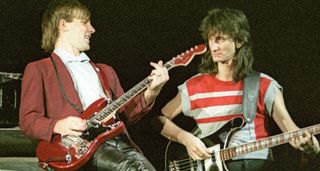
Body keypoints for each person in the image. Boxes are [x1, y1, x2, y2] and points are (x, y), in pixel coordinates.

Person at [156, 8, 320, 171]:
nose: (213, 47)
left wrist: (312, 146)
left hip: (255, 164)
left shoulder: (264, 84)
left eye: (220, 39)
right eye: (211, 40)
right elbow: (158, 119)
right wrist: (185, 138)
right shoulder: (194, 86)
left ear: (239, 41)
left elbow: (292, 132)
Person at [19, 0, 169, 170]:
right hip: (79, 148)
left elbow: (126, 115)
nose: (92, 29)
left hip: (118, 144)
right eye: (85, 22)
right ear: (63, 25)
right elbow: (27, 120)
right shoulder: (40, 69)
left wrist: (152, 92)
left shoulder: (106, 71)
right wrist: (57, 125)